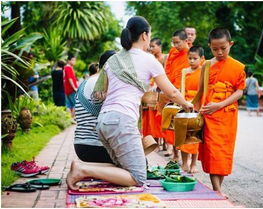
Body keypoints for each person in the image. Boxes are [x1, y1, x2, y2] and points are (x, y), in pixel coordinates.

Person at [66, 16, 193, 190]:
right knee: (139, 177)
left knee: (125, 169)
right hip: (121, 120)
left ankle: (83, 168)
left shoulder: (113, 60)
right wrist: (186, 104)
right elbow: (170, 91)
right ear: (144, 35)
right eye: (149, 35)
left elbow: (101, 93)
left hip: (103, 121)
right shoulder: (149, 60)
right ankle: (82, 169)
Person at [196, 28, 246, 194]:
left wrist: (220, 105)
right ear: (209, 46)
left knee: (223, 151)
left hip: (227, 115)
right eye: (215, 49)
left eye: (223, 48)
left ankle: (218, 187)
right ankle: (216, 189)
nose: (219, 52)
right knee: (213, 151)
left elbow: (239, 91)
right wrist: (190, 106)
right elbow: (201, 91)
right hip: (209, 114)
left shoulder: (238, 67)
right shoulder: (207, 65)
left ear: (230, 44)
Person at [74, 51, 116, 164]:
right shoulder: (99, 83)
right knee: (139, 165)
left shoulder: (88, 81)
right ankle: (84, 171)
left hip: (82, 145)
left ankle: (90, 170)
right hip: (94, 146)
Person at [164, 29, 190, 161]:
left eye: (178, 43)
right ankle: (175, 154)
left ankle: (186, 157)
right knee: (172, 125)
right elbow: (167, 69)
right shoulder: (173, 52)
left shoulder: (191, 55)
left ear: (186, 41)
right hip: (171, 90)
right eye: (173, 43)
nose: (175, 46)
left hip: (185, 92)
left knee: (184, 125)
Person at [178, 46, 205, 173]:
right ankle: (184, 163)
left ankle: (194, 164)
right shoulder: (184, 71)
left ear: (202, 59)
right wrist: (183, 103)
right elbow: (181, 89)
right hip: (185, 105)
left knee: (195, 136)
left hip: (197, 106)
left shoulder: (203, 72)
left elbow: (203, 91)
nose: (192, 61)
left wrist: (197, 105)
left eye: (195, 58)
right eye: (190, 58)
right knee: (183, 136)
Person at [63, 54, 78, 119]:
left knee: (69, 105)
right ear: (69, 61)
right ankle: (72, 118)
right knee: (76, 104)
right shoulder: (68, 68)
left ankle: (69, 119)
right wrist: (74, 87)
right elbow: (70, 79)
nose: (74, 61)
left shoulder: (66, 67)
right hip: (71, 89)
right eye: (73, 60)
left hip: (67, 89)